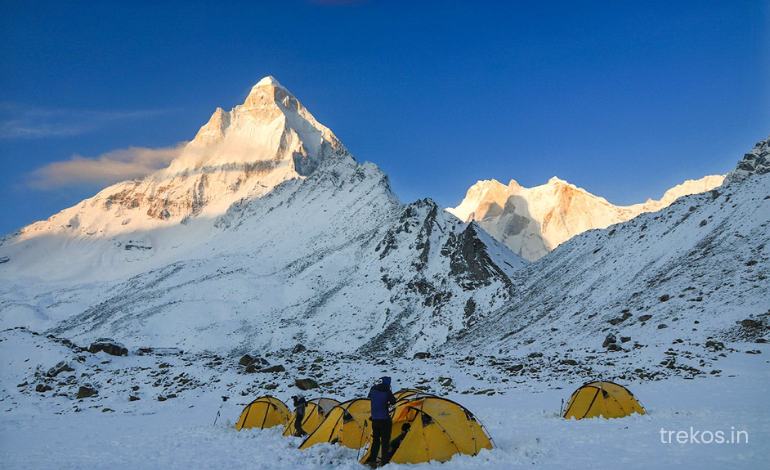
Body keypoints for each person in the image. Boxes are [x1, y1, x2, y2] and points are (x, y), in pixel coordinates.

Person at [365, 376, 396, 467]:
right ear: (388, 383)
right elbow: (393, 401)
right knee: (385, 441)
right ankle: (384, 461)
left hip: (375, 419)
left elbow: (369, 398)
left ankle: (373, 460)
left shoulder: (373, 389)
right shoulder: (387, 390)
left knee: (376, 440)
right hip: (385, 420)